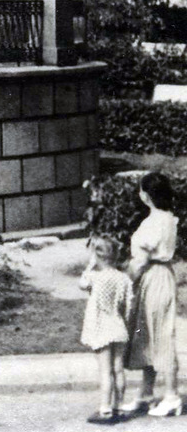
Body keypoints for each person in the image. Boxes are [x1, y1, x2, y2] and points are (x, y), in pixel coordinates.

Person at [121, 172, 183, 417]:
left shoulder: (155, 222)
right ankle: (146, 394)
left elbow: (141, 260)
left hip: (154, 277)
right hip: (156, 277)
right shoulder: (166, 218)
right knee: (147, 335)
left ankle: (171, 396)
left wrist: (124, 282)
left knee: (161, 335)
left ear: (146, 195)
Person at [80, 236, 132, 424]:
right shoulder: (123, 278)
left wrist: (89, 265)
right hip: (118, 326)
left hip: (102, 328)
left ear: (98, 256)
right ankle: (119, 405)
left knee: (105, 370)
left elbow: (82, 284)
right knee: (118, 369)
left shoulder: (95, 277)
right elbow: (127, 304)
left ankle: (105, 408)